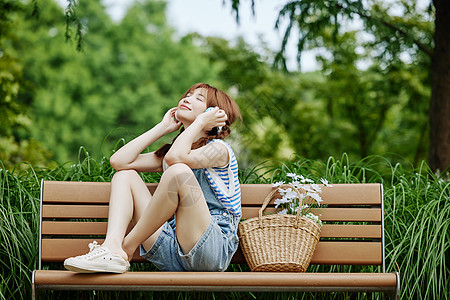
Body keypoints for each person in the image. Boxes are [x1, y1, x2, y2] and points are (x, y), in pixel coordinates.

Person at [64, 83, 242, 273]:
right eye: (187, 95)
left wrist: (201, 122)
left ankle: (126, 247)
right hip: (171, 249)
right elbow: (119, 161)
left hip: (210, 251)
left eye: (198, 98)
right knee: (125, 176)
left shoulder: (219, 149)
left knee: (178, 171)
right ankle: (112, 247)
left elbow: (177, 160)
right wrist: (163, 127)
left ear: (213, 113)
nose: (186, 99)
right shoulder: (174, 152)